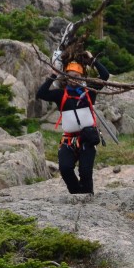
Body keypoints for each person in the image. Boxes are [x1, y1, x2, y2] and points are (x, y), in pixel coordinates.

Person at [36, 59, 109, 194]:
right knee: (65, 168)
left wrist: (93, 60)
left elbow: (105, 76)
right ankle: (76, 193)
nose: (73, 79)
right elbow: (41, 93)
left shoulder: (89, 91)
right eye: (70, 76)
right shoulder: (60, 94)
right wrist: (53, 75)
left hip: (87, 138)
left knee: (85, 171)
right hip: (68, 139)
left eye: (76, 76)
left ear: (81, 77)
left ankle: (87, 196)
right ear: (66, 77)